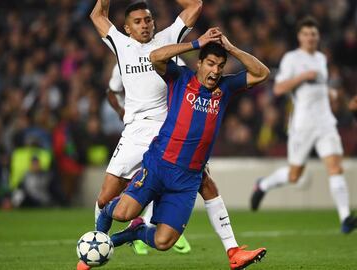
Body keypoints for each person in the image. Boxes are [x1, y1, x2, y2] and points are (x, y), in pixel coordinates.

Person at [83, 1, 253, 269]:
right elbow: (97, 14)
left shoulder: (169, 36)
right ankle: (100, 244)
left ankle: (232, 249)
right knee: (105, 198)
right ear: (127, 28)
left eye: (148, 20)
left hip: (169, 127)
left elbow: (195, 5)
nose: (144, 25)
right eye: (137, 22)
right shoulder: (120, 43)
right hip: (136, 129)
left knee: (204, 182)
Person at [250, 16, 357, 234]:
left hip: (326, 122)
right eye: (306, 34)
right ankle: (263, 185)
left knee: (335, 166)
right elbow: (279, 89)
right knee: (294, 175)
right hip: (302, 125)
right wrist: (302, 77)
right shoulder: (291, 59)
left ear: (318, 37)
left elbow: (319, 89)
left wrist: (333, 94)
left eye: (313, 34)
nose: (310, 37)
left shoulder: (321, 58)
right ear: (299, 37)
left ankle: (345, 218)